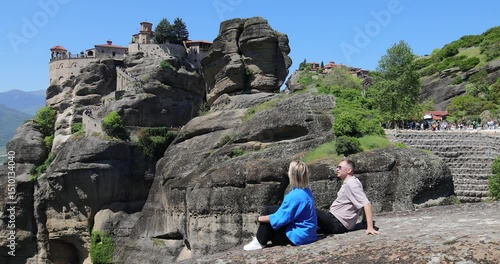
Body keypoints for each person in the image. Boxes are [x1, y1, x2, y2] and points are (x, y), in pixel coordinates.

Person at [243, 160, 318, 251]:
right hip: (309, 234)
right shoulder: (306, 191)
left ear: (292, 175)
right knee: (272, 209)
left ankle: (260, 241)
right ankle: (262, 237)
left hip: (299, 236)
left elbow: (279, 219)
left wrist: (259, 218)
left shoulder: (294, 196)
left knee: (268, 212)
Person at [317, 158, 380, 235]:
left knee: (309, 209)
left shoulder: (352, 184)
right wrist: (364, 221)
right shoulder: (352, 182)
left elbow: (366, 204)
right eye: (337, 167)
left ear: (349, 170)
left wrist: (370, 227)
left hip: (338, 222)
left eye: (340, 167)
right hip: (336, 221)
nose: (337, 169)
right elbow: (362, 201)